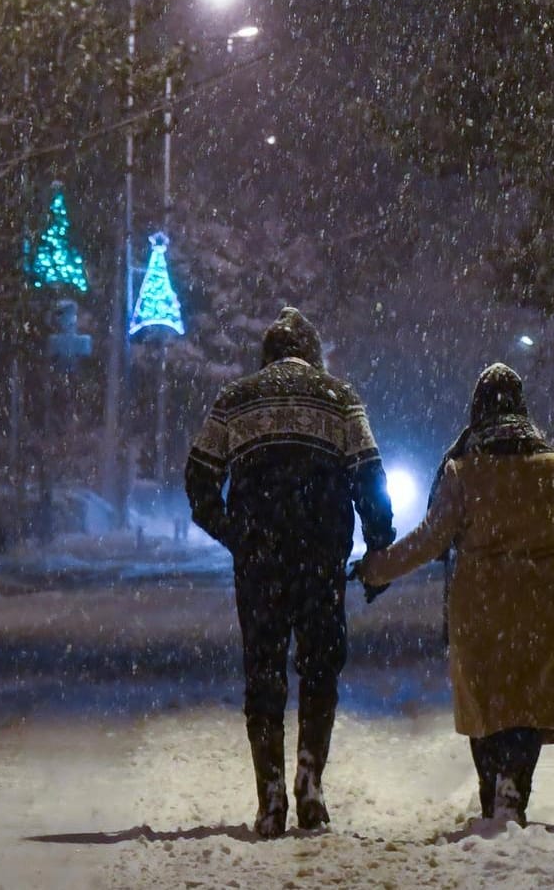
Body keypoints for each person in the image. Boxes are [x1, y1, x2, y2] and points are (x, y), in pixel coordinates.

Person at [185, 307, 395, 838]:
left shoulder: (235, 399)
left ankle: (270, 796)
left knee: (264, 672)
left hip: (261, 563)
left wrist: (236, 533)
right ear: (313, 351)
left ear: (267, 353)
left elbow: (198, 479)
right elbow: (370, 478)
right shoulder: (341, 397)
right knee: (320, 667)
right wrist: (378, 548)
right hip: (321, 559)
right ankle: (310, 782)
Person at [355, 363, 554, 826]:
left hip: (480, 611)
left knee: (487, 708)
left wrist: (375, 569)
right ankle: (514, 789)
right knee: (529, 705)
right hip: (544, 610)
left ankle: (492, 792)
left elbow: (430, 539)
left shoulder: (463, 470)